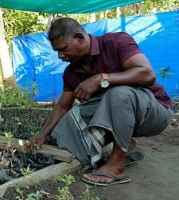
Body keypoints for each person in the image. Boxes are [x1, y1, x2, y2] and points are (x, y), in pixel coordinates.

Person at [27, 17, 173, 186]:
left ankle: (116, 165)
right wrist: (42, 134)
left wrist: (101, 78)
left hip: (155, 113)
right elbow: (63, 106)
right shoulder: (71, 72)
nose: (60, 56)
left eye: (64, 49)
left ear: (80, 38)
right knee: (65, 131)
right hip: (124, 118)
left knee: (118, 94)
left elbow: (147, 74)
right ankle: (123, 143)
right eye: (57, 51)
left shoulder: (116, 42)